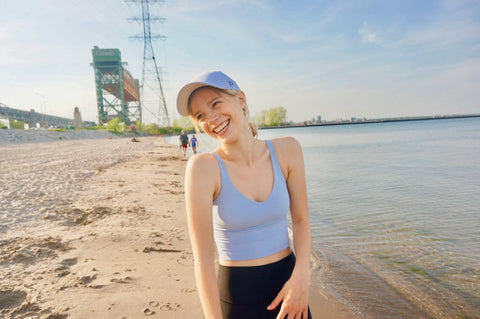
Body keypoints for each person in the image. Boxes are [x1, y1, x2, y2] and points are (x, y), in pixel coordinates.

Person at [177, 71, 312, 319]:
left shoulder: (288, 150)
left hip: (290, 289)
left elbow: (301, 221)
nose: (211, 119)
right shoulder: (202, 169)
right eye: (200, 116)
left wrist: (301, 279)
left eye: (215, 103)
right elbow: (204, 258)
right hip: (238, 298)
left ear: (240, 99)